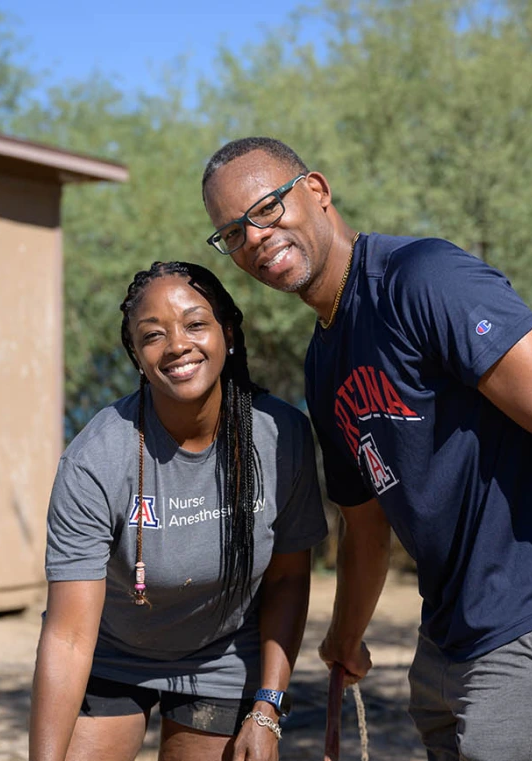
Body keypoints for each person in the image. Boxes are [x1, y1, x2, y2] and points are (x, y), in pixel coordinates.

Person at [200, 137, 532, 760]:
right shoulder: (323, 361)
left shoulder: (424, 279)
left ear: (315, 191)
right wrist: (344, 639)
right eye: (232, 232)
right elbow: (365, 525)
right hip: (450, 631)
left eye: (265, 209)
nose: (254, 237)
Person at [29, 261, 327, 761]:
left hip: (223, 654)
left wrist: (267, 708)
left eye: (195, 324)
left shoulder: (280, 437)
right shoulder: (96, 459)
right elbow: (68, 636)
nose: (176, 346)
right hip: (111, 651)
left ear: (227, 333)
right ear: (136, 356)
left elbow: (287, 582)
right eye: (152, 335)